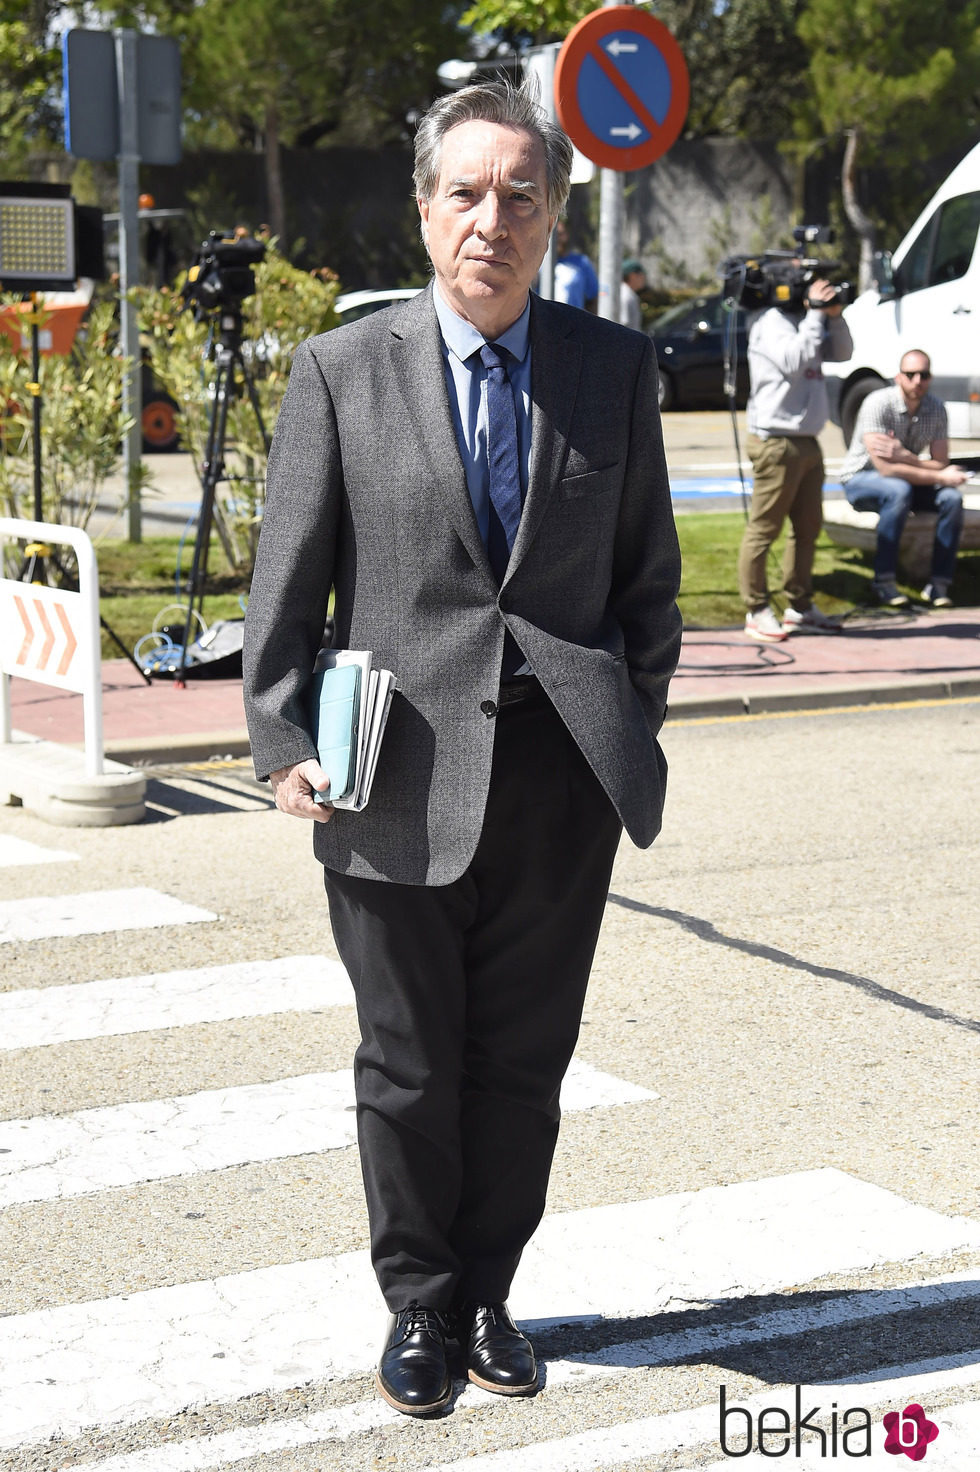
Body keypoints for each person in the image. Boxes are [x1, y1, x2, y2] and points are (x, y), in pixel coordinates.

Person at [242, 82, 681, 1419]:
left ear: (550, 215)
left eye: (520, 195)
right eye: (467, 193)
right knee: (408, 1058)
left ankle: (491, 1290)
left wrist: (625, 723)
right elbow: (290, 581)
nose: (494, 217)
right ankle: (420, 1304)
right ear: (424, 211)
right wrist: (278, 737)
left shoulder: (614, 370)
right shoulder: (340, 371)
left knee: (522, 1061)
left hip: (560, 785)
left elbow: (649, 584)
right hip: (392, 774)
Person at [738, 276, 853, 642]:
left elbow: (844, 352)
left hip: (807, 440)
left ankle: (799, 607)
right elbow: (794, 359)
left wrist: (833, 315)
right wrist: (817, 315)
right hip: (776, 441)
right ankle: (756, 609)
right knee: (764, 530)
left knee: (807, 530)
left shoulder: (808, 320)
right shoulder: (769, 322)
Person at [839, 350, 968, 608]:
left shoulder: (936, 408)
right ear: (898, 377)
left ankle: (938, 585)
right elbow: (886, 470)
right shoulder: (877, 403)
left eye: (924, 375)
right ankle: (884, 582)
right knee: (897, 490)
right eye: (911, 375)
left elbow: (940, 462)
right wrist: (935, 473)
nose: (917, 381)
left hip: (906, 482)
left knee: (952, 498)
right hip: (861, 479)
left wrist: (905, 456)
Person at [553, 218, 598, 311]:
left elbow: (593, 297)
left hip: (572, 321)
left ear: (567, 234)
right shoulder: (538, 264)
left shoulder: (581, 262)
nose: (558, 239)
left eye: (560, 234)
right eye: (554, 235)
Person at [620, 258, 646, 332]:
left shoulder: (626, 293)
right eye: (641, 274)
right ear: (633, 276)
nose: (644, 278)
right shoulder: (626, 296)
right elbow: (623, 325)